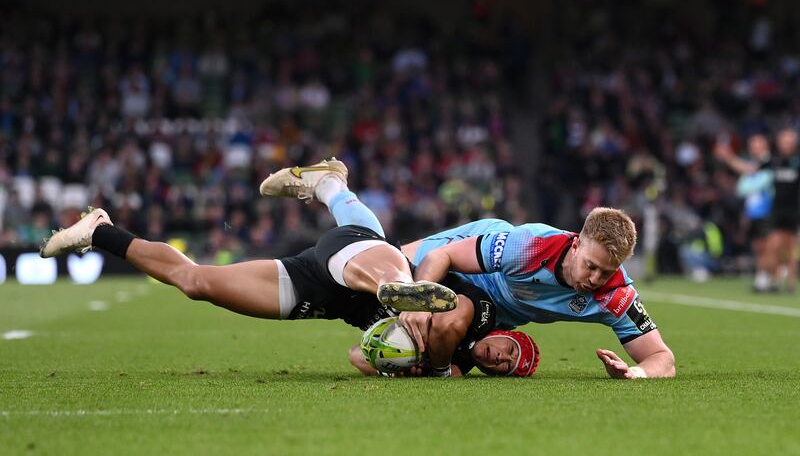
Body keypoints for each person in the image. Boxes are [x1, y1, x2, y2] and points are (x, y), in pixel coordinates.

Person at [39, 164, 536, 377]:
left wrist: (399, 362)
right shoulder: (484, 314)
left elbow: (358, 358)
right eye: (509, 351)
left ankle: (99, 232)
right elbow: (452, 317)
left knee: (196, 282)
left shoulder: (457, 366)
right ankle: (401, 290)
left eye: (503, 365)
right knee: (392, 273)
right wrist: (436, 363)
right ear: (512, 339)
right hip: (366, 261)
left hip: (318, 291)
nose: (497, 356)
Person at [260, 158, 672, 379]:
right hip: (467, 258)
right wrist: (418, 300)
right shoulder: (526, 246)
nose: (596, 280)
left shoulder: (615, 294)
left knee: (411, 350)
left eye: (607, 272)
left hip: (489, 312)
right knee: (385, 258)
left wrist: (636, 372)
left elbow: (662, 359)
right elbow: (443, 258)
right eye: (592, 267)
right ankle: (333, 186)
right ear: (577, 243)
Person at [714, 133, 773, 292]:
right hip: (755, 212)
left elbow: (749, 172)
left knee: (766, 247)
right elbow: (742, 189)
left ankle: (768, 277)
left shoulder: (768, 161)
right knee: (758, 247)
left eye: (757, 145)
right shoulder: (758, 163)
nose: (754, 148)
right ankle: (763, 277)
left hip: (767, 211)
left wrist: (729, 157)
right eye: (752, 145)